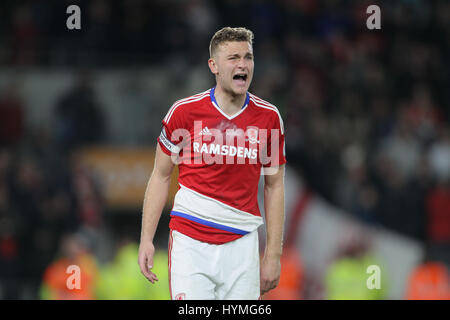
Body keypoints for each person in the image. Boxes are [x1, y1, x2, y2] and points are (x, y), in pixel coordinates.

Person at [138, 27, 286, 300]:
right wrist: (147, 238)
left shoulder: (269, 118)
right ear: (213, 65)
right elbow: (160, 176)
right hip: (190, 242)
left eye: (248, 57)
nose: (243, 64)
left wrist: (273, 254)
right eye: (233, 58)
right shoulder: (183, 113)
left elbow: (275, 186)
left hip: (242, 244)